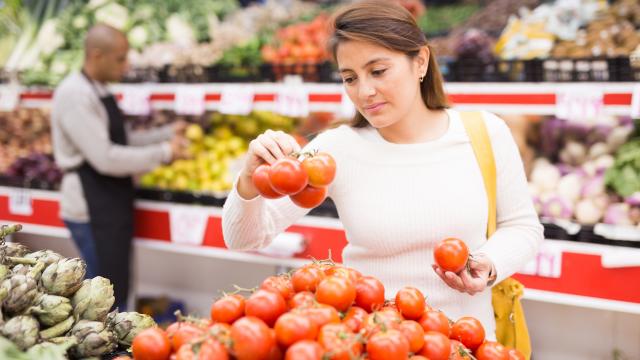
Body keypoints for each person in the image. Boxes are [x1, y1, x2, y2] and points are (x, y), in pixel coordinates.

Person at [222, 0, 543, 340]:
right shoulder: (335, 150)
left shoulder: (485, 133)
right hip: (373, 342)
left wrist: (489, 263)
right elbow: (244, 238)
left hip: (466, 343)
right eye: (350, 78)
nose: (365, 91)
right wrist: (248, 181)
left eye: (377, 71)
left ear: (420, 61)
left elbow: (522, 227)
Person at [51, 24, 182, 309]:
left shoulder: (96, 88)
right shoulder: (74, 94)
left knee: (117, 285)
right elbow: (106, 157)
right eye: (121, 58)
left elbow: (122, 139)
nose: (127, 65)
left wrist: (168, 133)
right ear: (97, 56)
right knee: (103, 297)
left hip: (109, 199)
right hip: (90, 206)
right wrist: (164, 152)